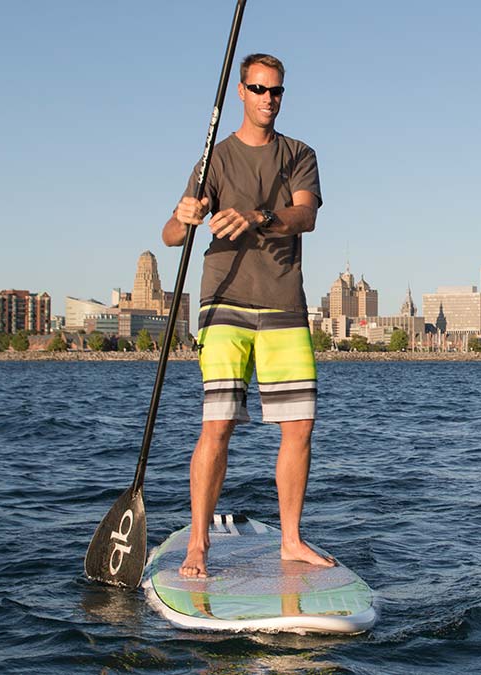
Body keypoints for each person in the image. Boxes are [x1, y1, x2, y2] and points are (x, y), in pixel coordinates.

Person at [161, 53, 333, 578]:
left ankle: (291, 541)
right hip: (225, 301)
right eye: (259, 89)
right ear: (241, 91)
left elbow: (305, 215)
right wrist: (185, 216)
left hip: (283, 303)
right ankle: (198, 544)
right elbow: (170, 235)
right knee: (217, 425)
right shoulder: (214, 160)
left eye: (276, 91)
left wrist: (259, 216)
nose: (268, 98)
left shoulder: (299, 153)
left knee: (299, 424)